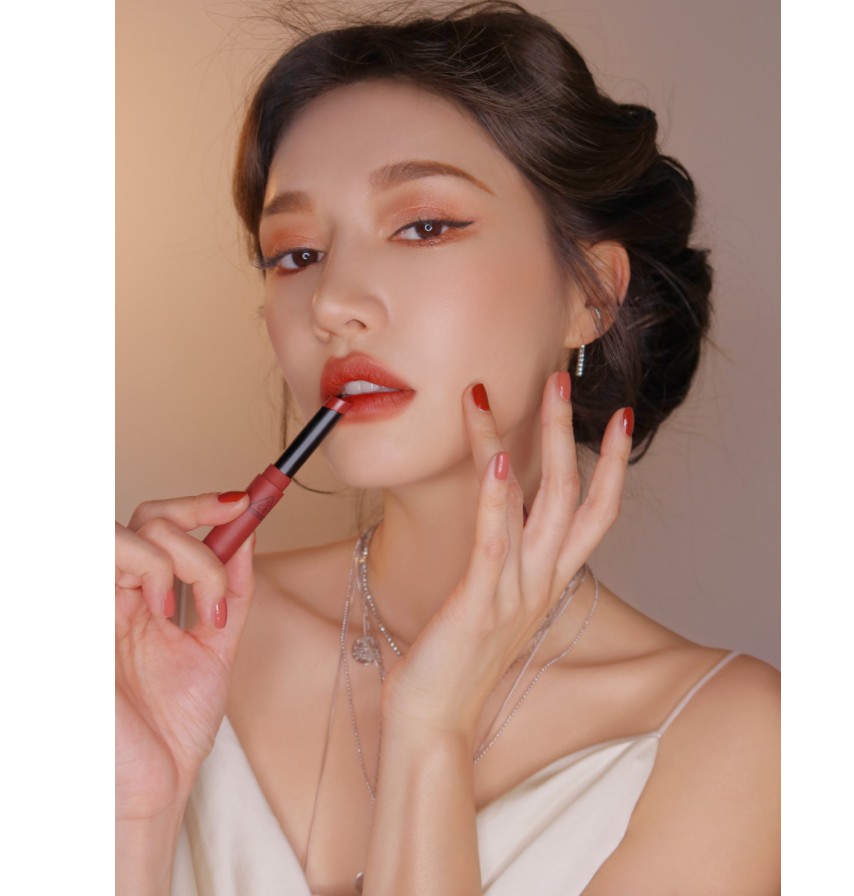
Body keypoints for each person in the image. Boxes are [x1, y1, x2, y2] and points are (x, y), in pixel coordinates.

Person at [115, 2, 780, 893]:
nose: (332, 304)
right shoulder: (165, 643)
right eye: (296, 253)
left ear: (592, 292)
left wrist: (430, 730)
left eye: (423, 226)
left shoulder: (731, 742)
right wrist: (135, 817)